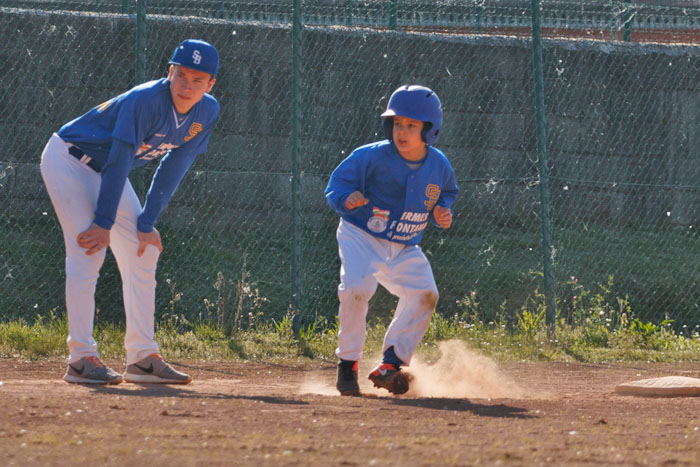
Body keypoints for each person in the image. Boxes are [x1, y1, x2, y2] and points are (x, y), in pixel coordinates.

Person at [40, 39, 221, 385]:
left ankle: (142, 358)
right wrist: (103, 223)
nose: (187, 86)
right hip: (69, 160)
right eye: (181, 76)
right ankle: (80, 358)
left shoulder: (207, 111)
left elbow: (176, 163)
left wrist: (147, 222)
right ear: (170, 73)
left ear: (211, 84)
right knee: (88, 249)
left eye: (198, 80)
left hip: (107, 171)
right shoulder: (145, 101)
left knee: (144, 249)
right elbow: (121, 159)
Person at [325, 85, 459, 396]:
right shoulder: (370, 156)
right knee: (357, 288)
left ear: (430, 130)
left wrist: (443, 209)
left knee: (425, 293)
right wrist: (348, 198)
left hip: (405, 244)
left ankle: (391, 363)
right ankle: (348, 365)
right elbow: (336, 185)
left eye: (412, 125)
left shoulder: (438, 164)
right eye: (398, 123)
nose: (402, 131)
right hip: (361, 234)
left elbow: (448, 191)